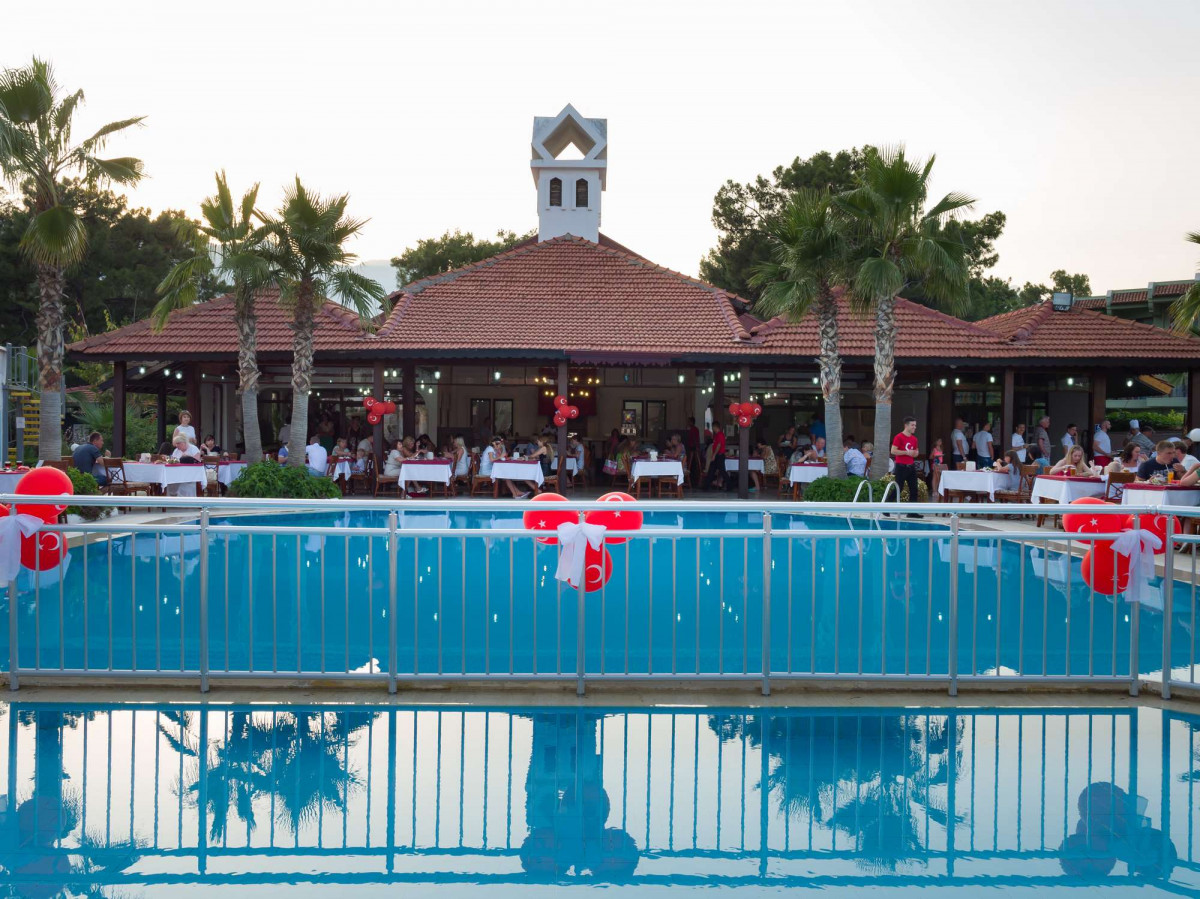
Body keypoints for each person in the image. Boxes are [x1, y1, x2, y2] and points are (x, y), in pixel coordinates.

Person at [890, 416, 920, 506]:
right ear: (906, 426)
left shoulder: (914, 439)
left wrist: (915, 453)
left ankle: (912, 511)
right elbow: (893, 451)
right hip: (901, 466)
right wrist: (906, 452)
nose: (914, 427)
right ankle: (886, 506)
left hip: (911, 466)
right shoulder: (899, 437)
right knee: (898, 487)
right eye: (912, 425)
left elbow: (916, 452)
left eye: (915, 425)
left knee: (914, 488)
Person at [702, 418, 729, 490]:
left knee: (722, 471)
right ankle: (706, 486)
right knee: (712, 470)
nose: (713, 429)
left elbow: (719, 445)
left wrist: (714, 455)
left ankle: (730, 485)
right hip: (718, 455)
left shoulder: (720, 434)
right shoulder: (717, 435)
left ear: (715, 427)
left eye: (713, 427)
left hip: (719, 455)